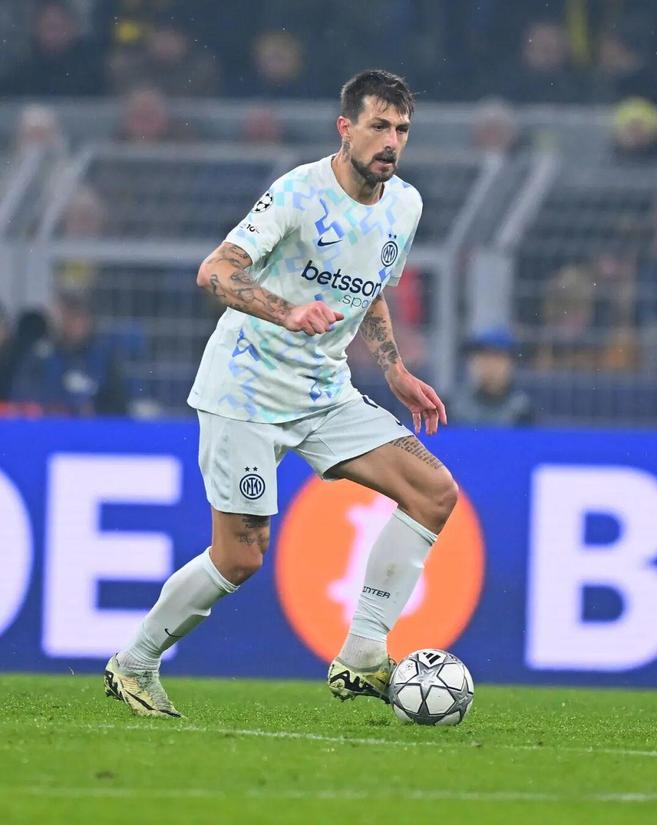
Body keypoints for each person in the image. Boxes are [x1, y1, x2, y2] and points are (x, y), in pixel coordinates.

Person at [104, 69, 457, 719]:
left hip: (324, 390)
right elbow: (216, 270)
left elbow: (371, 289)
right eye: (378, 126)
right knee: (240, 557)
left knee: (434, 491)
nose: (391, 141)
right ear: (345, 128)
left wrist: (395, 370)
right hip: (246, 387)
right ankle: (134, 662)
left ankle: (363, 652)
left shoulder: (405, 205)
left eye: (402, 129)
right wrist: (285, 311)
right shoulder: (299, 192)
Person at [10, 290, 127, 416]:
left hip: (91, 426)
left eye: (79, 317)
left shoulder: (103, 358)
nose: (73, 324)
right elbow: (21, 396)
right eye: (68, 317)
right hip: (48, 424)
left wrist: (94, 410)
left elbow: (119, 405)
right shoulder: (41, 355)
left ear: (88, 320)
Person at [451, 328, 535, 427]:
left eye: (496, 357)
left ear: (510, 364)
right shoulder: (452, 407)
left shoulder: (523, 411)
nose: (487, 364)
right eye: (480, 356)